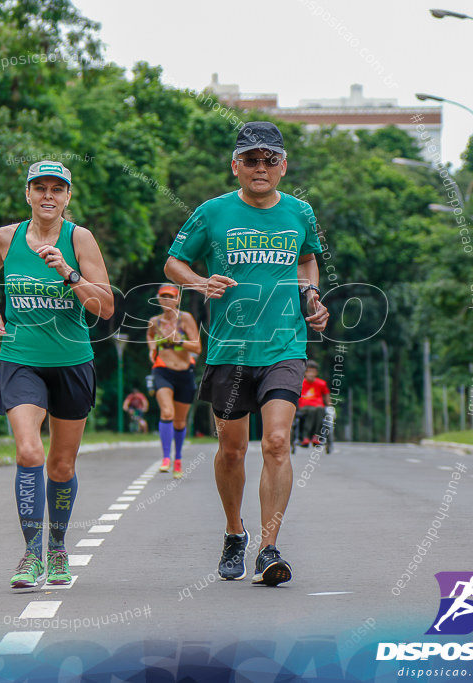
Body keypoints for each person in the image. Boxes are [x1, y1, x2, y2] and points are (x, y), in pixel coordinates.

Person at [164, 122, 329, 586]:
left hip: (284, 345)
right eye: (251, 160)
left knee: (277, 441)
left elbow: (307, 258)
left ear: (283, 166)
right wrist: (198, 282)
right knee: (232, 450)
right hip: (229, 350)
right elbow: (173, 262)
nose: (261, 168)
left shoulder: (300, 212)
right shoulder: (213, 212)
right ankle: (234, 531)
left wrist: (312, 296)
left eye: (270, 160)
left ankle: (268, 546)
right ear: (235, 165)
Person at [0, 160, 114, 589]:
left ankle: (57, 548)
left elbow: (105, 307)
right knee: (30, 451)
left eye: (57, 189)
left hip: (72, 362)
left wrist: (68, 273)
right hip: (21, 359)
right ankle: (31, 554)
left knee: (60, 463)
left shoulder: (80, 239)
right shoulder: (6, 238)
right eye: (40, 188)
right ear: (28, 194)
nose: (48, 196)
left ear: (68, 197)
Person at [147, 284, 201, 478]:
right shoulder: (155, 321)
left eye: (171, 296)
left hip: (184, 373)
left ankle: (178, 459)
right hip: (162, 371)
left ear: (177, 299)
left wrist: (178, 340)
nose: (167, 300)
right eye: (163, 297)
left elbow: (197, 347)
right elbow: (150, 336)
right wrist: (152, 348)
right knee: (167, 412)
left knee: (179, 421)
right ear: (159, 299)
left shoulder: (185, 319)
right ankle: (165, 458)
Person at [297, 360, 330, 446]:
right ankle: (306, 436)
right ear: (305, 372)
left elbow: (326, 394)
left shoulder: (321, 383)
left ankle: (316, 435)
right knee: (311, 411)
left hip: (318, 406)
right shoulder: (300, 383)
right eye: (309, 371)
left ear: (316, 373)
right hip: (305, 406)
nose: (311, 374)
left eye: (313, 372)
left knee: (320, 410)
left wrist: (329, 405)